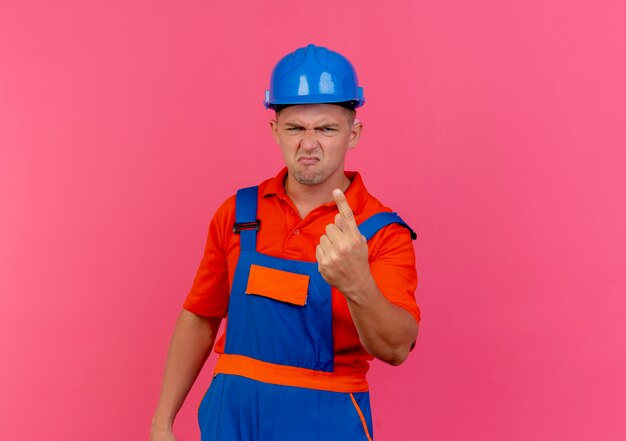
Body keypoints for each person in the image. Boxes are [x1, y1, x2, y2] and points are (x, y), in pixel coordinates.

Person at [151, 43, 420, 441]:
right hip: (232, 415)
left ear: (354, 133)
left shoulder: (381, 232)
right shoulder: (239, 214)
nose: (309, 144)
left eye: (326, 128)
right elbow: (201, 316)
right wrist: (162, 422)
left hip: (325, 419)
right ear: (275, 130)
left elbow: (397, 348)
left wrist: (357, 282)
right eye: (295, 127)